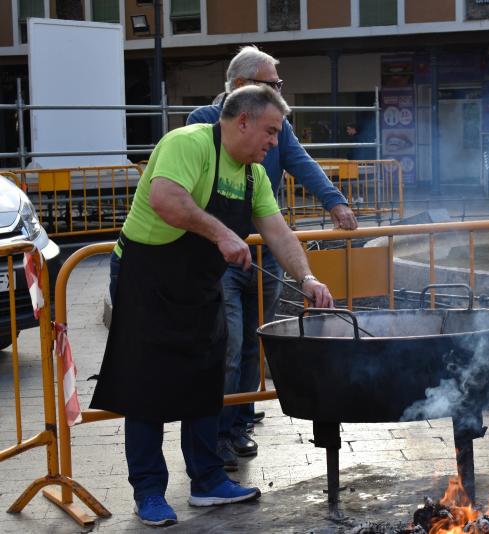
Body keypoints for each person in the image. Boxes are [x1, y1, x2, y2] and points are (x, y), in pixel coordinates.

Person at [93, 85, 335, 527]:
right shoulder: (187, 144)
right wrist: (222, 233)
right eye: (271, 130)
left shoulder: (253, 174)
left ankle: (207, 480)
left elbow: (278, 232)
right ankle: (148, 491)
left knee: (207, 374)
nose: (275, 142)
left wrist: (308, 277)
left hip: (199, 283)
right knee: (147, 383)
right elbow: (165, 199)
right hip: (146, 276)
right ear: (242, 121)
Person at [186, 46, 357, 471]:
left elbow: (299, 165)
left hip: (264, 249)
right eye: (273, 84)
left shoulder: (276, 132)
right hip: (219, 255)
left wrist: (334, 201)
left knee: (251, 342)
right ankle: (219, 433)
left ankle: (240, 418)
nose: (273, 141)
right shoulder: (201, 125)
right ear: (241, 92)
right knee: (227, 343)